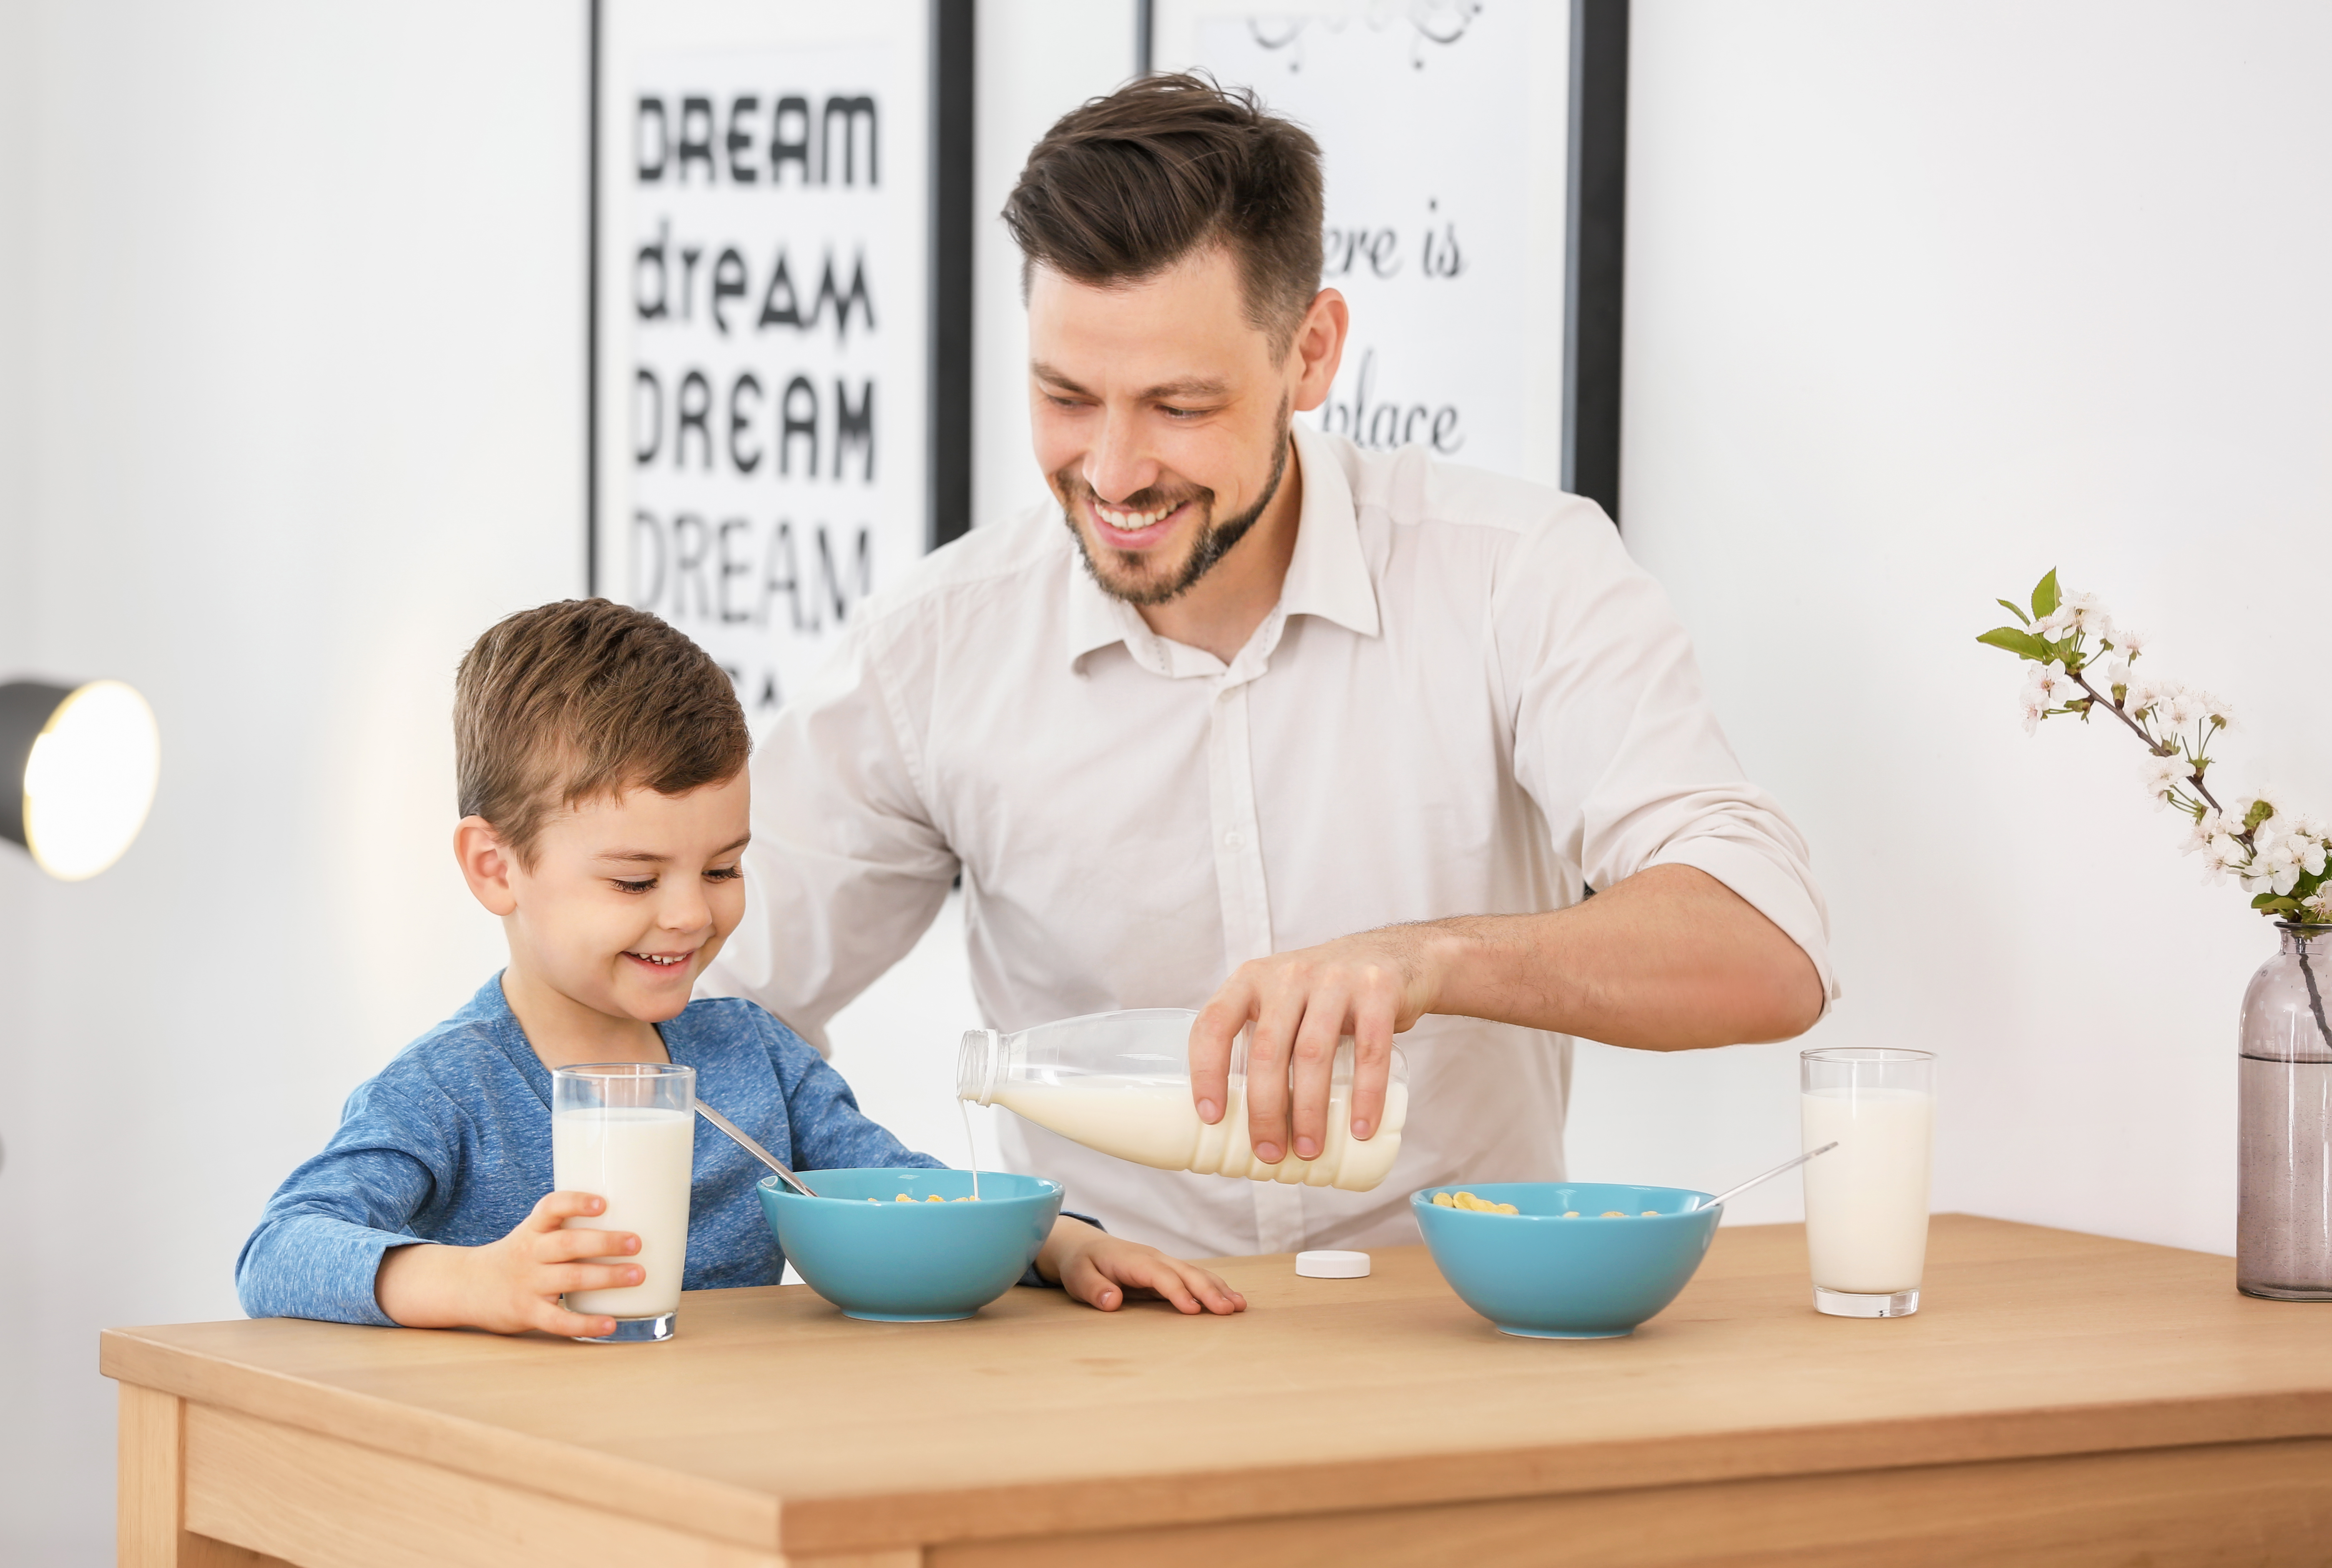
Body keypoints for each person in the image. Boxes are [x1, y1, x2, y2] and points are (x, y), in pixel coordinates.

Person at [701, 76, 1834, 1262]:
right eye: (1064, 396)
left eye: (1181, 405)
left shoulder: (1517, 575)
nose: (1116, 470)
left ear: (1313, 352)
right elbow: (699, 988)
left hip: (1462, 1338)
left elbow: (1766, 950)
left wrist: (1429, 960)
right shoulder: (934, 649)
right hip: (1104, 1348)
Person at [236, 600, 1243, 1336]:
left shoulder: (752, 1059)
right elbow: (280, 1251)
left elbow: (893, 1187)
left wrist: (1061, 1244)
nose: (691, 912)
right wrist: (474, 1285)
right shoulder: (451, 1089)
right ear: (496, 868)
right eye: (635, 881)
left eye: (724, 867)